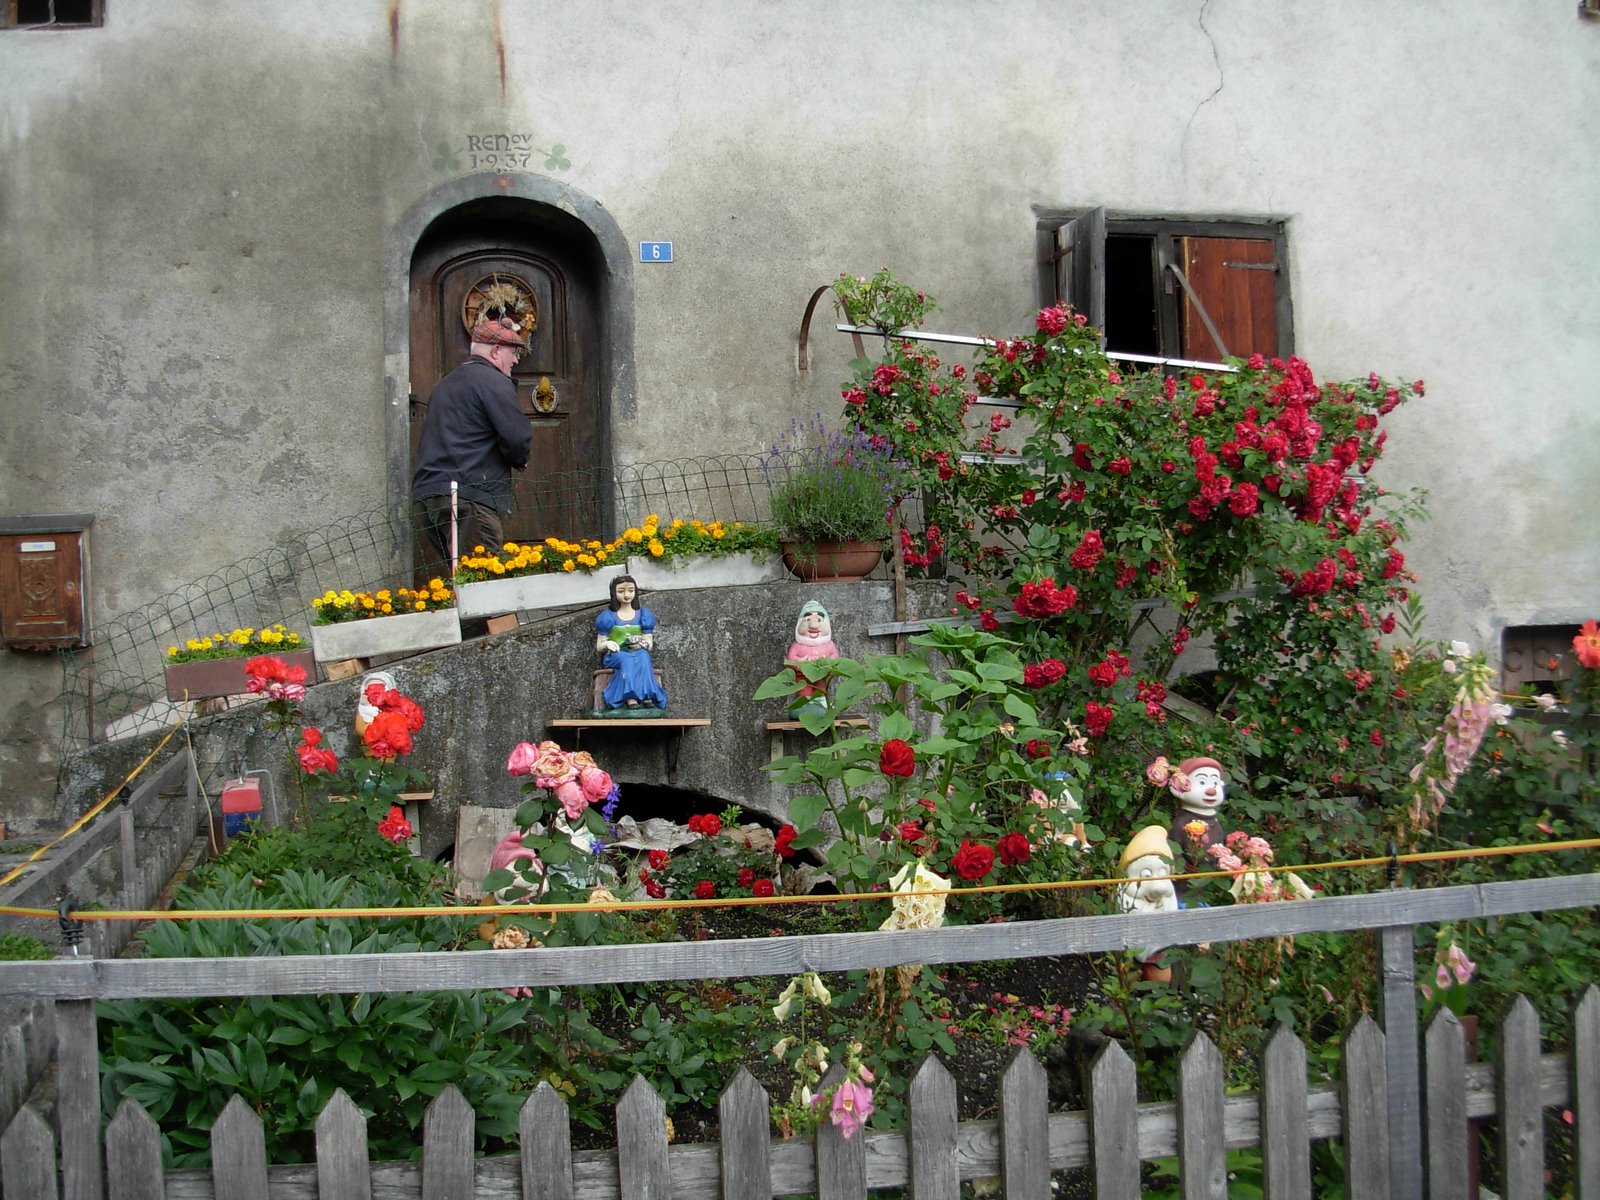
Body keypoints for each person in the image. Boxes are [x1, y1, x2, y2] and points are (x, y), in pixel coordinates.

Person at [411, 317, 533, 562]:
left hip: (428, 497)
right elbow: (516, 437)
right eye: (513, 353)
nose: (516, 360)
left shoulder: (445, 384)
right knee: (483, 577)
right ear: (496, 351)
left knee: (460, 574)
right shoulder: (494, 381)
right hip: (468, 495)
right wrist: (519, 459)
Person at [594, 574, 667, 710]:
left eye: (630, 590)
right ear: (614, 593)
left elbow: (649, 643)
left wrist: (642, 644)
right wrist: (608, 644)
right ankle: (629, 697)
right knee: (626, 660)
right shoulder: (608, 617)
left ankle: (646, 695)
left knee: (644, 657)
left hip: (637, 651)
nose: (626, 595)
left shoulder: (643, 615)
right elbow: (599, 645)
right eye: (621, 591)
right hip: (616, 654)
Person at [785, 599, 839, 714]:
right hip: (803, 676)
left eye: (819, 620)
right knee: (804, 689)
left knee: (821, 687)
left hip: (822, 675)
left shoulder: (829, 645)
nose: (814, 625)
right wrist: (800, 662)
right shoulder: (797, 646)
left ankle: (822, 702)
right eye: (808, 620)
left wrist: (828, 663)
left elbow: (835, 657)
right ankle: (805, 703)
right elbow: (790, 660)